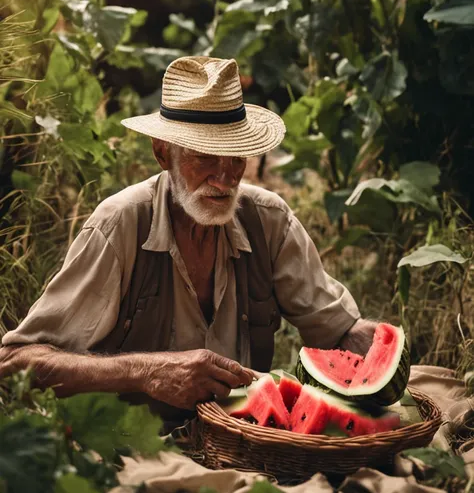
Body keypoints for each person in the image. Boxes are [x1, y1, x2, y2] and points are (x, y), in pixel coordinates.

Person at [0, 56, 375, 415]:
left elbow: (340, 332)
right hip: (133, 449)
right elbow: (16, 363)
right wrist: (144, 372)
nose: (225, 177)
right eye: (206, 156)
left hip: (247, 441)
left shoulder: (268, 220)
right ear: (163, 153)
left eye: (236, 157)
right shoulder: (120, 226)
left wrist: (377, 351)